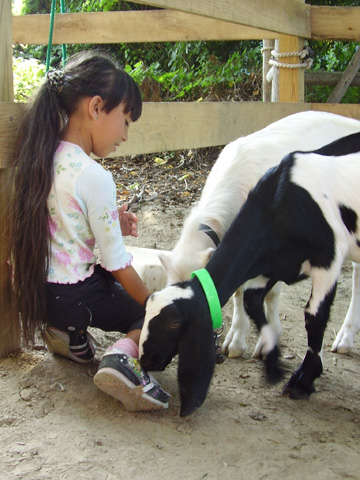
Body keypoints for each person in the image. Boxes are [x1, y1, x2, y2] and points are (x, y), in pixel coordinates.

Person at [10, 50, 169, 412]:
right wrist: (153, 304)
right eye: (126, 121)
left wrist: (112, 217)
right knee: (146, 318)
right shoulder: (94, 176)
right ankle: (120, 360)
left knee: (94, 296)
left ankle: (71, 339)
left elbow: (60, 216)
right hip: (74, 295)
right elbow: (116, 264)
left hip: (38, 294)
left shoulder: (40, 153)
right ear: (96, 107)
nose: (126, 135)